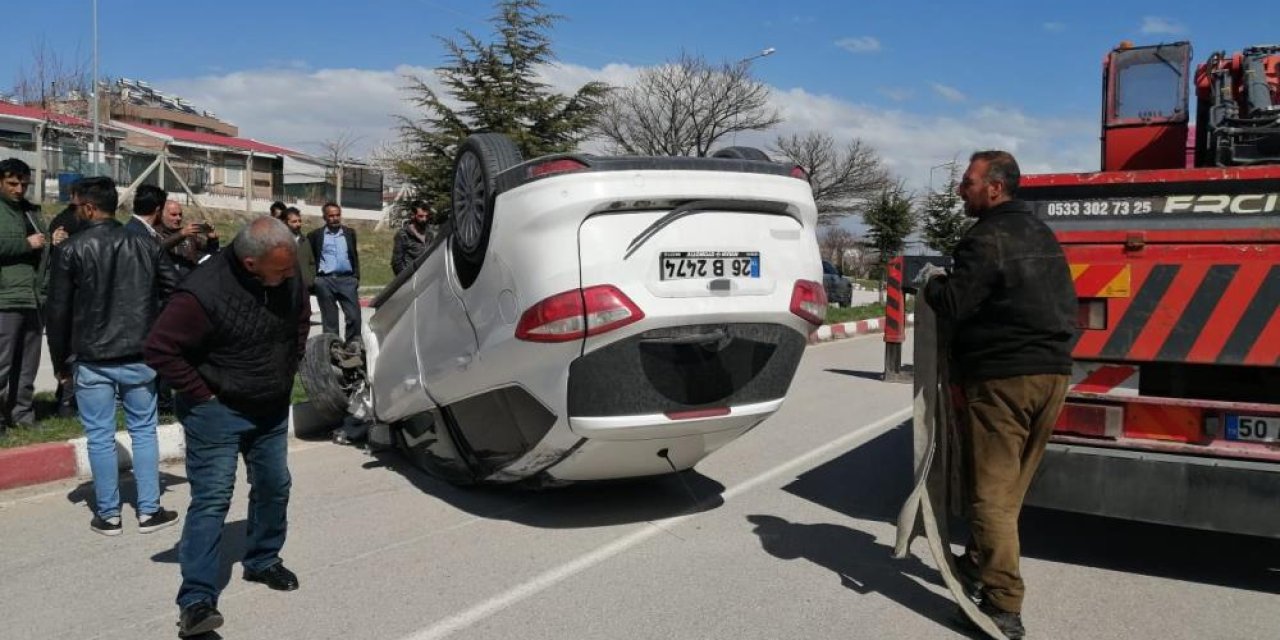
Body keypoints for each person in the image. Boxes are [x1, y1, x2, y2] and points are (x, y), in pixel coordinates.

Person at [918, 150, 1077, 640]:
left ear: (994, 187)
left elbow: (955, 303)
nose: (959, 190)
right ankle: (978, 563)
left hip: (1004, 380)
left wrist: (930, 283)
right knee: (1010, 490)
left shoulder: (986, 239)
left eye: (967, 182)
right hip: (1051, 377)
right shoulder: (1041, 235)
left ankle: (1004, 607)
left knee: (991, 496)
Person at [144, 216, 309, 638]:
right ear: (251, 263)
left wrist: (286, 372)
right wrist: (204, 395)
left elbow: (299, 321)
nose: (290, 275)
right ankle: (196, 601)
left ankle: (263, 560)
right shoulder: (201, 293)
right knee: (213, 500)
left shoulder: (285, 272)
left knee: (275, 484)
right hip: (217, 411)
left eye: (292, 268)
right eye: (281, 270)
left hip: (269, 405)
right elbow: (160, 350)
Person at [47, 176, 180, 536]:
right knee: (144, 432)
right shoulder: (144, 245)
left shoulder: (71, 249)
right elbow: (176, 292)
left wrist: (61, 364)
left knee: (101, 436)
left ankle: (109, 515)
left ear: (89, 207)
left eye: (78, 206)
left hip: (92, 359)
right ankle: (149, 511)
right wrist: (158, 333)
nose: (76, 212)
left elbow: (57, 313)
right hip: (139, 355)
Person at [0, 158, 48, 433]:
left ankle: (22, 416)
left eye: (23, 184)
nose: (19, 189)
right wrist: (24, 244)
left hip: (32, 296)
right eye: (12, 184)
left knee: (27, 365)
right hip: (6, 297)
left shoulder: (31, 210)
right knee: (2, 364)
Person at [48, 184, 89, 418]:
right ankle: (66, 402)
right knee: (70, 351)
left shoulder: (81, 221)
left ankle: (66, 398)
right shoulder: (65, 222)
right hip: (70, 298)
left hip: (78, 296)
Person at [307, 202, 361, 344]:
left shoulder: (349, 233)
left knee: (354, 317)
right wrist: (315, 281)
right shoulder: (315, 235)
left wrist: (355, 277)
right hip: (325, 281)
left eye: (337, 215)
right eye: (331, 216)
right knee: (330, 322)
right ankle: (333, 349)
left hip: (347, 280)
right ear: (324, 217)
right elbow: (310, 260)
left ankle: (352, 347)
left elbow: (354, 255)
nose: (335, 218)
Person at [156, 200, 220, 278]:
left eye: (180, 215)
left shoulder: (189, 235)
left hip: (189, 282)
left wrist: (213, 240)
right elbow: (157, 248)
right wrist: (181, 234)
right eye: (173, 215)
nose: (178, 218)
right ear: (162, 215)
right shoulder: (154, 232)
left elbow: (210, 252)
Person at [391, 200, 436, 276]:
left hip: (426, 278)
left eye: (426, 216)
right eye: (421, 216)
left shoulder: (430, 234)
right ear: (413, 215)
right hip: (410, 279)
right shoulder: (403, 234)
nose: (424, 219)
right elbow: (396, 263)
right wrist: (405, 278)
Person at [283, 207, 315, 292]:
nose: (298, 224)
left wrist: (310, 279)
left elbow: (311, 262)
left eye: (299, 221)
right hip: (285, 286)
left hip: (304, 287)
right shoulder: (279, 241)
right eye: (294, 222)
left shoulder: (305, 241)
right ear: (285, 223)